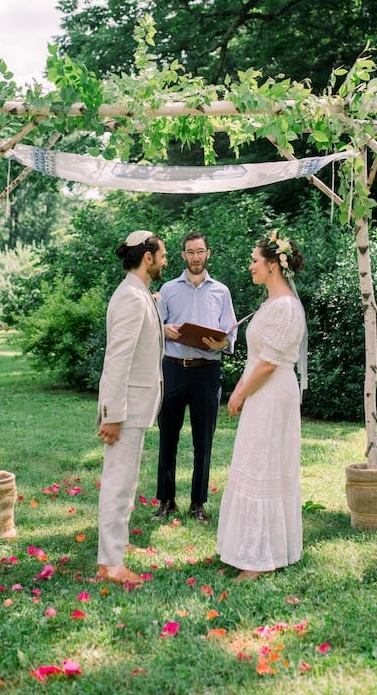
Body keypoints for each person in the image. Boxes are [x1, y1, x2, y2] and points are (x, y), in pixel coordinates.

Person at [217, 229, 306, 581]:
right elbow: (256, 358)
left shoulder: (286, 307)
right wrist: (239, 389)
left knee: (264, 465)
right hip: (260, 391)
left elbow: (269, 363)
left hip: (273, 394)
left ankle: (260, 558)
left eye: (255, 261)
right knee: (253, 463)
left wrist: (239, 394)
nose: (250, 266)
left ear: (273, 266)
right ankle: (250, 550)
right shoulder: (270, 304)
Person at [96, 229, 167, 587]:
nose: (166, 261)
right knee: (118, 483)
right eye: (163, 255)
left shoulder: (138, 294)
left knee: (126, 480)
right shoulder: (131, 298)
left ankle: (117, 547)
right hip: (125, 411)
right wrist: (113, 416)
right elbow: (117, 360)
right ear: (148, 257)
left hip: (137, 407)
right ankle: (110, 564)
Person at [154, 230, 237, 524]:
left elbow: (230, 331)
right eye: (190, 252)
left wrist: (223, 343)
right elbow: (154, 326)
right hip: (173, 368)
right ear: (183, 256)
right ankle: (166, 501)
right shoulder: (167, 289)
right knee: (168, 436)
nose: (196, 257)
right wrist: (164, 329)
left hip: (207, 372)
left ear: (208, 254)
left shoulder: (221, 291)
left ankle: (197, 503)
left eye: (200, 251)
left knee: (204, 440)